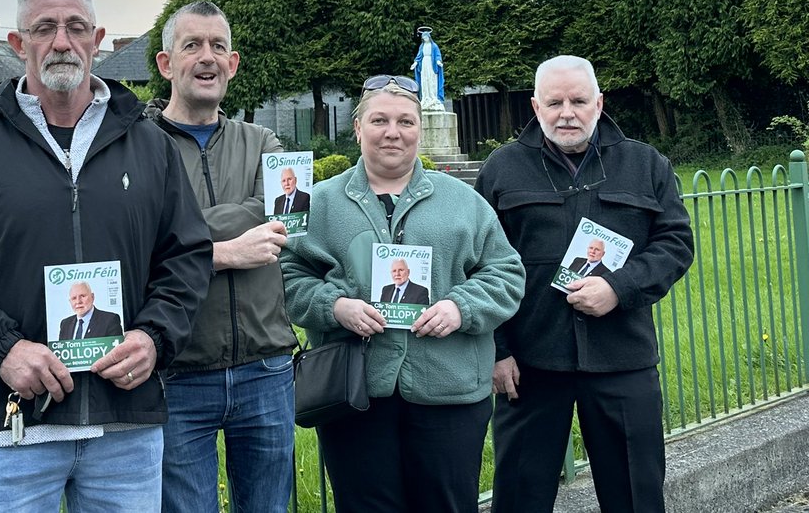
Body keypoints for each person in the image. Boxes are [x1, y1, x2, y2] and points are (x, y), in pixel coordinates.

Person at [0, 0, 213, 513]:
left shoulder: (150, 145)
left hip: (126, 428)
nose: (62, 41)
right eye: (45, 28)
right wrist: (3, 351)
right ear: (18, 44)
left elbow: (185, 257)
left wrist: (156, 338)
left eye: (75, 26)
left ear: (96, 38)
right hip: (13, 427)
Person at [282, 74, 524, 513]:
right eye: (379, 120)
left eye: (405, 122)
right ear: (358, 128)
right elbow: (285, 277)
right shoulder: (316, 203)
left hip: (448, 392)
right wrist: (334, 306)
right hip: (354, 395)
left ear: (419, 129)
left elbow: (507, 273)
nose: (392, 132)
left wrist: (460, 306)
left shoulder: (464, 202)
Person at [475, 55, 694, 513]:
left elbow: (675, 243)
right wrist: (497, 351)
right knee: (519, 496)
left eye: (578, 100)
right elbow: (477, 264)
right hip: (529, 366)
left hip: (622, 358)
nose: (567, 113)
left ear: (599, 102)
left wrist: (620, 287)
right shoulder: (502, 169)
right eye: (554, 102)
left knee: (636, 495)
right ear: (535, 107)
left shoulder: (645, 164)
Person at [145, 0, 298, 513]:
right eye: (192, 45)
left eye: (217, 47)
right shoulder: (137, 147)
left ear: (232, 64)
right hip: (177, 371)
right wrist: (224, 252)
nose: (206, 57)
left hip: (266, 368)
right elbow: (132, 241)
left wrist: (179, 236)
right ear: (167, 64)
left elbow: (287, 215)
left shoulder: (264, 140)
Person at [58, 281, 124, 339]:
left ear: (92, 297)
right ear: (70, 301)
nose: (78, 301)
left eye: (82, 296)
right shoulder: (65, 324)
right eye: (74, 298)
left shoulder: (110, 320)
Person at [413, 28, 446, 111]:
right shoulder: (422, 46)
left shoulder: (434, 46)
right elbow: (419, 56)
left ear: (429, 37)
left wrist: (438, 61)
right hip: (424, 64)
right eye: (424, 38)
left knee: (432, 80)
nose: (425, 39)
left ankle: (433, 97)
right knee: (425, 81)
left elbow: (437, 55)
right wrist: (415, 63)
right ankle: (425, 97)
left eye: (426, 38)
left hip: (431, 65)